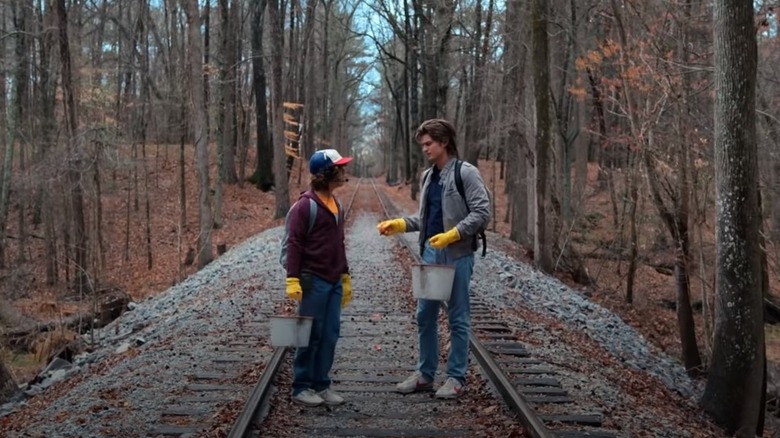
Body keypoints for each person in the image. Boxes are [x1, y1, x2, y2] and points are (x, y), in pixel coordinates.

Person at [377, 119, 490, 399]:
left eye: (429, 143)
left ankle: (455, 377)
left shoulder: (467, 173)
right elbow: (426, 218)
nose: (425, 149)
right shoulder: (428, 176)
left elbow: (482, 212)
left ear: (444, 142)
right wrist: (402, 224)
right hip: (430, 252)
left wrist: (453, 234)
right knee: (425, 314)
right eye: (423, 144)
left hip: (458, 254)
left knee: (458, 317)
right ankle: (425, 374)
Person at [283, 148, 353, 407]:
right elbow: (294, 243)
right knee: (311, 333)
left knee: (330, 334)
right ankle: (301, 386)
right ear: (326, 173)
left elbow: (339, 243)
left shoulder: (337, 205)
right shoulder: (305, 206)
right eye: (340, 167)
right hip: (313, 281)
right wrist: (292, 278)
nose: (344, 171)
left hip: (333, 280)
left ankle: (321, 384)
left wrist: (345, 276)